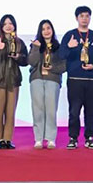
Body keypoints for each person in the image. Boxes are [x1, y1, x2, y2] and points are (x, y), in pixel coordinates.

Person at [60, 6, 93, 150]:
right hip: (75, 79)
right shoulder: (70, 35)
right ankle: (73, 138)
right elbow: (61, 55)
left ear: (90, 18)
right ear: (76, 18)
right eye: (81, 16)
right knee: (74, 111)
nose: (84, 19)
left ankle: (89, 137)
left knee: (91, 111)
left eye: (87, 16)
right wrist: (68, 46)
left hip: (92, 80)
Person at [0, 14, 28, 149]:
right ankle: (0, 139)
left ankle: (8, 139)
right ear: (1, 26)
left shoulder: (19, 42)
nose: (8, 26)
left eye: (10, 23)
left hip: (13, 80)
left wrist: (18, 57)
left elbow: (25, 61)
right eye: (5, 24)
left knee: (10, 112)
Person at [28, 19, 66, 149]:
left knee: (51, 110)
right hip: (37, 79)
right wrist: (35, 48)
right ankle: (38, 138)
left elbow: (64, 66)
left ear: (52, 30)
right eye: (43, 29)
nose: (46, 31)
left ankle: (50, 138)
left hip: (52, 79)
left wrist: (53, 68)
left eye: (48, 28)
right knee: (37, 109)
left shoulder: (59, 47)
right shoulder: (35, 45)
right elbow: (31, 62)